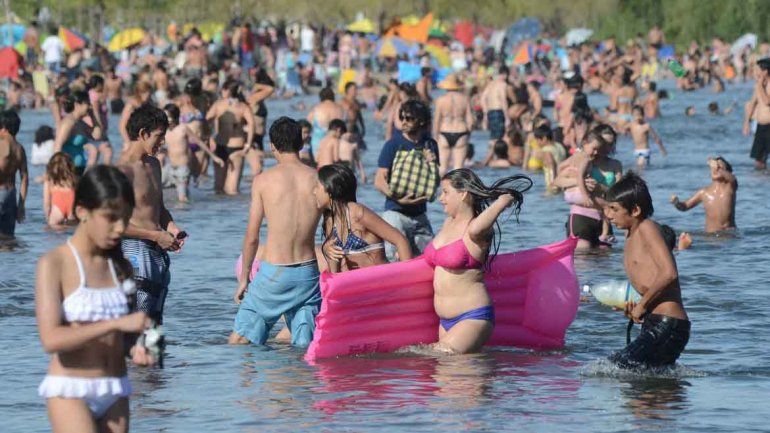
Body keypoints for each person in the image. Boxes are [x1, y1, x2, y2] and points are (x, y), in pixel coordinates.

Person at [36, 166, 155, 432]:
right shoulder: (54, 263)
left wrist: (137, 348)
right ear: (81, 212)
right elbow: (50, 339)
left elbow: (125, 336)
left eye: (125, 218)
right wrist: (114, 324)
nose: (120, 228)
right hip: (70, 389)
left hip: (115, 387)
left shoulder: (121, 265)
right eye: (111, 217)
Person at [230, 117, 323, 347]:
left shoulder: (263, 181)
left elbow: (252, 236)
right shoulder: (319, 179)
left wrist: (244, 279)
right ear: (301, 143)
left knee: (240, 342)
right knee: (304, 347)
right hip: (308, 274)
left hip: (275, 275)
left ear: (272, 146)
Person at [427, 169, 532, 354]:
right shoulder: (447, 224)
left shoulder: (478, 230)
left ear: (463, 194)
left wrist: (502, 201)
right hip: (445, 322)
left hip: (472, 316)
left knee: (442, 358)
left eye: (445, 192)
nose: (440, 198)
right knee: (450, 378)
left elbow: (477, 228)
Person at [604, 172, 690, 369]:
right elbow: (649, 280)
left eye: (614, 209)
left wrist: (642, 305)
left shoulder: (647, 227)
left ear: (635, 210)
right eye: (607, 208)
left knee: (618, 367)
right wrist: (636, 305)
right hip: (654, 321)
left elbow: (669, 273)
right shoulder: (630, 235)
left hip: (669, 324)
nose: (608, 215)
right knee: (647, 387)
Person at [118, 104, 183, 329]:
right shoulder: (122, 169)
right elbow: (112, 225)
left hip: (157, 251)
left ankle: (153, 365)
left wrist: (172, 228)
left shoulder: (154, 164)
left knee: (155, 325)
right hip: (133, 252)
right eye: (159, 136)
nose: (162, 142)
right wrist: (155, 235)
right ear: (143, 133)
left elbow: (159, 207)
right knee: (137, 326)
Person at [374, 99, 439, 261]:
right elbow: (379, 181)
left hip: (420, 213)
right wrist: (398, 198)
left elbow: (433, 181)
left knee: (428, 258)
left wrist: (431, 163)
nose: (403, 121)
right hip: (395, 213)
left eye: (409, 118)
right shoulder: (393, 145)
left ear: (421, 121)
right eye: (402, 117)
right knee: (395, 258)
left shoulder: (430, 145)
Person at [316, 164, 412, 272]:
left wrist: (407, 279)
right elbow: (335, 274)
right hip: (358, 284)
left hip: (383, 279)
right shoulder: (330, 221)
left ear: (330, 189)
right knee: (318, 251)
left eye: (317, 187)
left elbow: (400, 240)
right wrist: (329, 252)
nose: (314, 192)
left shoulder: (358, 213)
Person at [162, 104, 224, 202]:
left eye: (168, 117)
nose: (166, 119)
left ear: (174, 117)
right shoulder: (164, 131)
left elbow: (199, 142)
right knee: (152, 187)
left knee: (182, 199)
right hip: (169, 168)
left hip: (182, 169)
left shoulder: (183, 129)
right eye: (164, 116)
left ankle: (187, 215)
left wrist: (214, 157)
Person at [206, 80, 255, 195]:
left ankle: (218, 212)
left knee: (218, 188)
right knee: (232, 190)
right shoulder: (243, 107)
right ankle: (232, 211)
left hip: (220, 144)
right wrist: (248, 143)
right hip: (237, 146)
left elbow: (206, 120)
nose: (221, 91)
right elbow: (252, 125)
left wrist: (209, 137)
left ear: (227, 90)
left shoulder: (218, 105)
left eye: (223, 89)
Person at [671, 157, 737, 233]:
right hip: (710, 236)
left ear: (727, 172)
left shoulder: (730, 187)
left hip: (730, 235)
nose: (715, 168)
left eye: (719, 166)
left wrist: (718, 169)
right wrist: (676, 203)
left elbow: (733, 179)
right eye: (713, 167)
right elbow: (685, 207)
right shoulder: (704, 192)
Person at [434, 74, 474, 175]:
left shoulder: (440, 100)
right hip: (461, 131)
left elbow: (436, 121)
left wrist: (435, 138)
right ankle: (457, 190)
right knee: (458, 170)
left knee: (442, 169)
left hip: (444, 131)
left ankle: (442, 190)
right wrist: (468, 134)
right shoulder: (465, 99)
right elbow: (470, 120)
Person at [53, 91, 100, 176]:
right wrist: (59, 170)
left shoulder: (79, 122)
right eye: (87, 103)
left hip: (79, 168)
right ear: (77, 104)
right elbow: (57, 146)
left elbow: (97, 136)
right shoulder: (68, 122)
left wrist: (93, 116)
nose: (90, 106)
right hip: (68, 168)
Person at [0, 110, 27, 239]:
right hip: (11, 195)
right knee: (7, 238)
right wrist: (21, 205)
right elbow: (24, 178)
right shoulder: (20, 149)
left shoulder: (1, 144)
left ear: (4, 127)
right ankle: (11, 260)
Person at [743, 58, 770, 169]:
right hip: (760, 126)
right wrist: (746, 122)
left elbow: (767, 101)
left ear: (765, 71)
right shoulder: (759, 85)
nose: (756, 73)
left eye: (758, 70)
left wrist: (759, 86)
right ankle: (759, 185)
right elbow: (752, 103)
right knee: (758, 160)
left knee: (765, 156)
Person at [307, 87, 344, 156]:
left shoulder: (316, 109)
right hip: (338, 146)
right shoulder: (340, 109)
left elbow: (306, 127)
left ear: (320, 97)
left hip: (318, 146)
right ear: (333, 96)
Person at [43, 152, 78, 226]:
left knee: (52, 232)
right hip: (72, 211)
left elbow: (47, 205)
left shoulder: (49, 182)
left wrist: (47, 218)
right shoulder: (75, 180)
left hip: (57, 211)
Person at [480, 66, 509, 150]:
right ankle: (494, 157)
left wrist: (485, 113)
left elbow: (483, 98)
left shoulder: (491, 84)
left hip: (490, 112)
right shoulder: (503, 84)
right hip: (499, 111)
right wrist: (507, 117)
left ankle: (491, 156)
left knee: (493, 137)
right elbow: (503, 100)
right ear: (505, 74)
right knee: (499, 137)